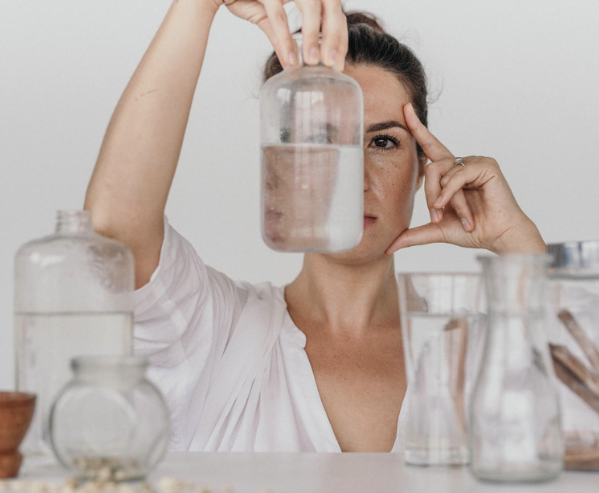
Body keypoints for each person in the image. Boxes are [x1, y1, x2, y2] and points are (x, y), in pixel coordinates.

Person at [84, 0, 545, 453]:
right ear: (280, 165)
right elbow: (114, 234)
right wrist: (198, 5)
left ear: (424, 167)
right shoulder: (216, 335)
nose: (354, 177)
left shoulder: (486, 353)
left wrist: (517, 242)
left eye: (383, 142)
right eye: (322, 140)